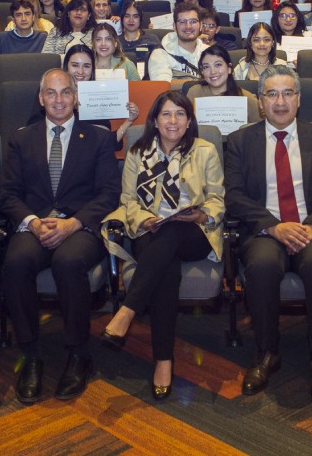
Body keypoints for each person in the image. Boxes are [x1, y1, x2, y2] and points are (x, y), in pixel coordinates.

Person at [225, 65, 312, 407]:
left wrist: (310, 226)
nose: (280, 102)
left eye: (287, 93)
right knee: (262, 265)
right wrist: (273, 226)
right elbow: (234, 196)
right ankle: (267, 352)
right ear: (261, 102)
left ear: (299, 99)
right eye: (271, 94)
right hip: (266, 228)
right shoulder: (239, 140)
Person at [0, 68, 119, 403]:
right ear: (40, 99)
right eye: (51, 93)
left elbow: (109, 194)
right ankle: (31, 354)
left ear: (76, 97)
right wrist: (34, 222)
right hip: (35, 224)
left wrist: (73, 224)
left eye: (66, 92)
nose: (59, 100)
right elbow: (7, 194)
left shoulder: (97, 138)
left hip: (80, 227)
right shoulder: (22, 138)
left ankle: (79, 354)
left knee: (68, 263)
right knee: (16, 261)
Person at [100, 91, 224, 399]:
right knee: (165, 263)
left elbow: (217, 199)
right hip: (149, 231)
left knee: (171, 232)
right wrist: (143, 220)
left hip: (193, 233)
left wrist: (201, 214)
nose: (173, 121)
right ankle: (164, 360)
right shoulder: (136, 152)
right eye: (166, 114)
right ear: (154, 120)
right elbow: (127, 200)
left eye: (180, 114)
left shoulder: (205, 151)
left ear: (189, 120)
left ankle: (127, 311)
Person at [187, 45, 260, 123]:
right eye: (206, 67)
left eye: (218, 65)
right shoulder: (194, 93)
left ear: (229, 68)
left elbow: (259, 131)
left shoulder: (247, 98)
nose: (213, 72)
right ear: (202, 72)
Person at [0, 0, 47, 85]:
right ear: (13, 20)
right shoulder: (0, 39)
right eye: (18, 15)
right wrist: (1, 82)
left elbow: (50, 67)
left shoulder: (43, 38)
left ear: (33, 17)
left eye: (27, 14)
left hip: (37, 85)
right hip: (6, 85)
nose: (23, 18)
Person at [147, 2, 207, 86]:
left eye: (193, 21)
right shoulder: (160, 54)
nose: (188, 26)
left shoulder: (209, 52)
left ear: (200, 26)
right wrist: (201, 83)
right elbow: (162, 86)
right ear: (174, 26)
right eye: (182, 22)